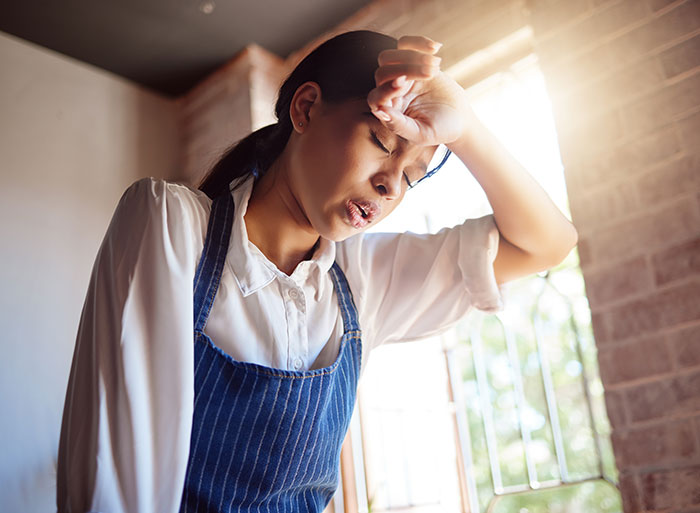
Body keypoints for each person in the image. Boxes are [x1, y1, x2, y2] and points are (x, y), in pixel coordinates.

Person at [56, 30, 578, 513]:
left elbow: (546, 245)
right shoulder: (172, 225)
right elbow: (116, 478)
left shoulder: (361, 279)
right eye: (383, 143)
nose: (391, 185)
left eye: (411, 175)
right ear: (306, 108)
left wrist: (466, 126)